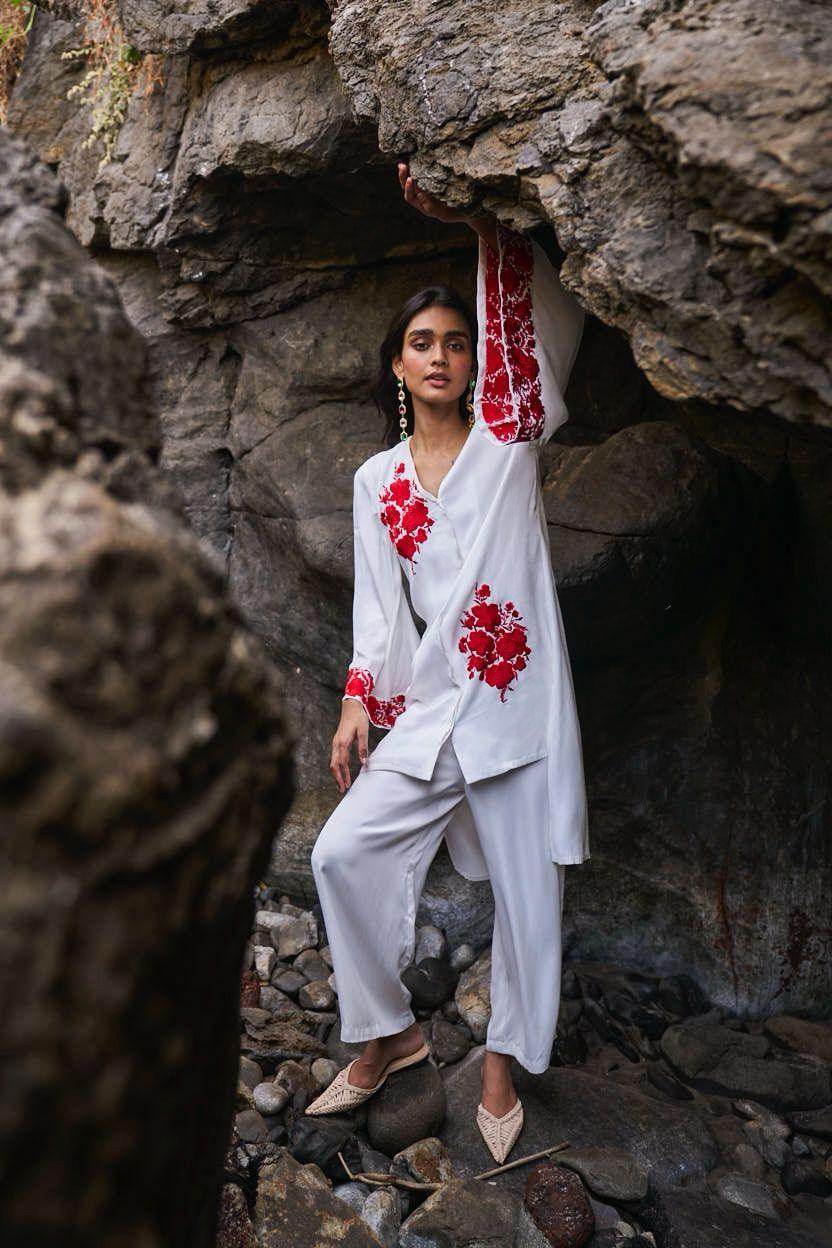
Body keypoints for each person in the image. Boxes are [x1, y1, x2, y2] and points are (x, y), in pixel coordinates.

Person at [305, 162, 590, 1164]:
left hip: (517, 705)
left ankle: (501, 1067)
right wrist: (357, 699)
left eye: (455, 343)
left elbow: (526, 341)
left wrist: (479, 227)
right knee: (339, 854)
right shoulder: (374, 480)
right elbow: (379, 610)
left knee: (527, 895)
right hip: (432, 707)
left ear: (474, 364)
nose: (440, 356)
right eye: (421, 343)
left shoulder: (508, 443)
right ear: (396, 364)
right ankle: (390, 1033)